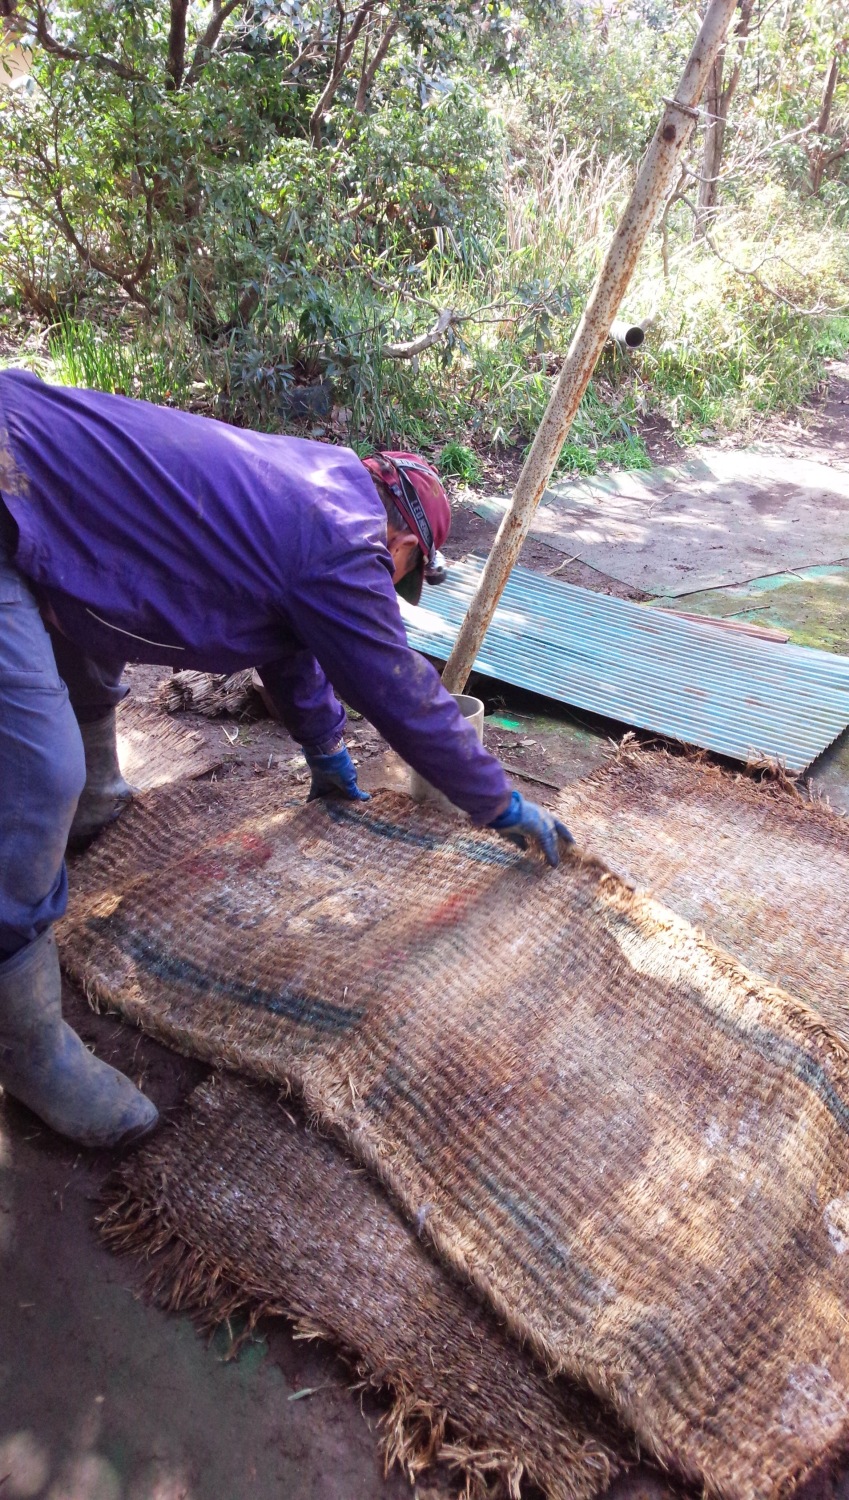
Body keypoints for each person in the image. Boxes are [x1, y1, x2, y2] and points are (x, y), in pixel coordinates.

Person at [0, 369, 573, 1151]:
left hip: (36, 466)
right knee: (37, 776)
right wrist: (500, 803)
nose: (389, 587)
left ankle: (97, 802)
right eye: (400, 579)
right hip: (11, 484)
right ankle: (27, 1052)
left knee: (88, 640)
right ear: (404, 546)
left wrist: (325, 753)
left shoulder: (311, 483)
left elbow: (289, 639)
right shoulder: (343, 543)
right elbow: (403, 694)